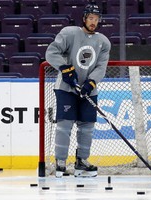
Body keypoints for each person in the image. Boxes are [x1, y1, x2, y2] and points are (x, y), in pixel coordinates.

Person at [45, 2, 111, 178]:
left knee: (87, 127)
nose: (93, 22)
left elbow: (100, 66)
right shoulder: (69, 33)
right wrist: (65, 68)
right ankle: (60, 163)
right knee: (64, 125)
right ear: (84, 18)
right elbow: (51, 53)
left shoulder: (103, 42)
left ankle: (81, 162)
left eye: (96, 19)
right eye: (90, 18)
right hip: (67, 88)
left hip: (89, 90)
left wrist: (91, 83)